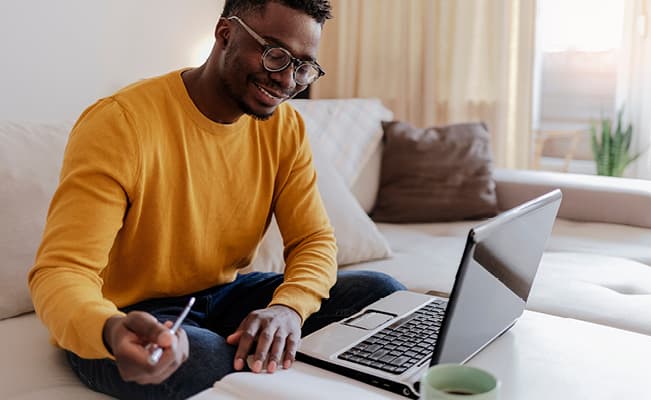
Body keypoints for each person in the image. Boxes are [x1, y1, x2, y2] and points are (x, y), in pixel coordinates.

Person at [28, 0, 405, 398]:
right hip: (126, 317)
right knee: (202, 357)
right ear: (226, 34)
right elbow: (60, 272)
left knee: (381, 293)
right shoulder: (120, 123)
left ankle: (260, 351)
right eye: (276, 54)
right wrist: (107, 329)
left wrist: (288, 309)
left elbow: (313, 241)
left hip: (222, 296)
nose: (287, 80)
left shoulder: (286, 127)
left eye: (303, 66)